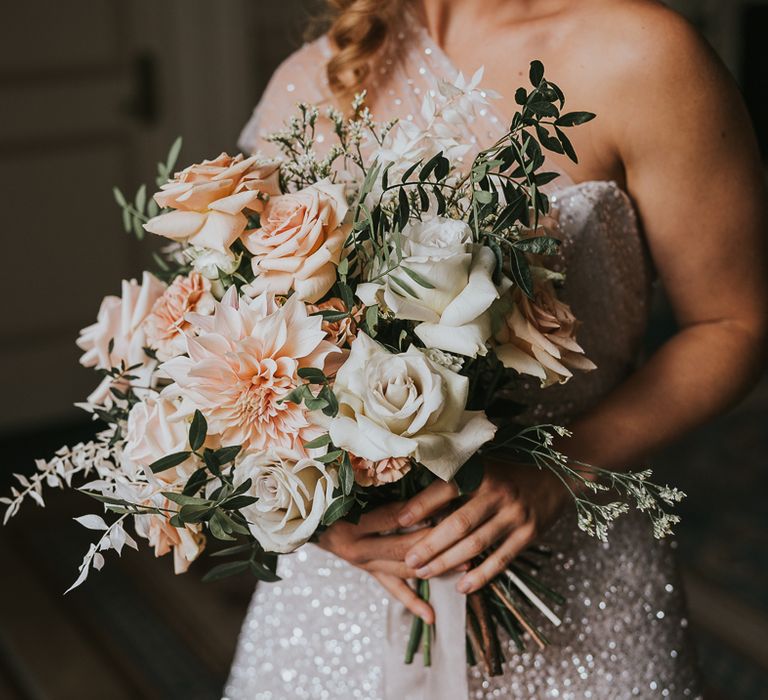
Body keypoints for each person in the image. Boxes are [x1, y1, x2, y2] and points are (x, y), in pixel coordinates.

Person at [225, 1, 768, 697]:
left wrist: (558, 470)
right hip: (334, 611)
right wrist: (320, 521)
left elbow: (734, 325)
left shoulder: (639, 55)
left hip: (578, 582)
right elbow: (250, 355)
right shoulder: (309, 80)